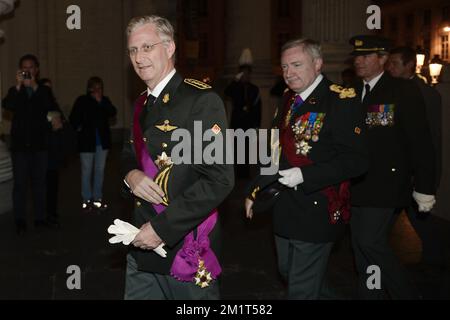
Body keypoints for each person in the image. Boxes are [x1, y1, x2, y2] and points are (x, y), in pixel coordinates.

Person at [244, 38, 369, 299]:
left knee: (300, 288)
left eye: (297, 65)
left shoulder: (340, 100)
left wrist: (305, 174)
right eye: (285, 66)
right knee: (289, 271)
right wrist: (255, 189)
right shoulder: (289, 99)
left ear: (318, 64)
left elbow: (357, 160)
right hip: (285, 207)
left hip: (317, 207)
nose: (289, 73)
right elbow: (275, 150)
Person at [121, 15, 234, 300]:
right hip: (140, 242)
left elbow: (219, 180)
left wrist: (161, 229)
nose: (139, 57)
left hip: (183, 246)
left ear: (170, 48)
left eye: (147, 47)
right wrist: (131, 175)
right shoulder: (141, 103)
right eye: (133, 50)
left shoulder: (201, 101)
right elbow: (127, 154)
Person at [349, 35, 437, 299]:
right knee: (360, 249)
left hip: (386, 184)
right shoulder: (351, 91)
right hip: (355, 184)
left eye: (366, 56)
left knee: (369, 242)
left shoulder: (402, 90)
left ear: (383, 59)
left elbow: (421, 142)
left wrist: (424, 187)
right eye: (357, 56)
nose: (359, 61)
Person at [386, 46, 444, 266]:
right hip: (399, 173)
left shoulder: (425, 93)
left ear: (409, 65)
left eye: (394, 63)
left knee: (422, 221)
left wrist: (424, 177)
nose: (389, 68)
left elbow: (428, 139)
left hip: (413, 174)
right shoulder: (396, 90)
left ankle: (435, 263)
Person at [2, 54, 58, 234]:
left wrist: (34, 86)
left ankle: (40, 218)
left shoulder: (43, 90)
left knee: (39, 184)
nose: (27, 71)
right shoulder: (15, 90)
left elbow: (50, 106)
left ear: (37, 70)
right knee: (19, 185)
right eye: (24, 68)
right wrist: (19, 86)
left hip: (39, 146)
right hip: (20, 147)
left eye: (31, 67)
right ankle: (19, 219)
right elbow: (8, 105)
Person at [69, 77, 117, 212]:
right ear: (89, 88)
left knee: (99, 171)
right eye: (94, 88)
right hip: (86, 143)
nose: (97, 90)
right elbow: (74, 119)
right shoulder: (82, 101)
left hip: (102, 143)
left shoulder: (104, 101)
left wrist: (101, 102)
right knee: (86, 171)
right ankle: (86, 199)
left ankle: (97, 199)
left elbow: (113, 112)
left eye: (100, 87)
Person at [224, 49, 262, 179]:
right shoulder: (236, 88)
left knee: (247, 151)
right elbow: (227, 92)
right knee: (236, 149)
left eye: (247, 73)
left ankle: (246, 175)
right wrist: (235, 80)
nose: (245, 76)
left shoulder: (254, 89)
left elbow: (258, 108)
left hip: (249, 123)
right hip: (237, 122)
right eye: (243, 74)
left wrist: (257, 125)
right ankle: (237, 174)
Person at [39, 78, 65, 227]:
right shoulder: (38, 107)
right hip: (42, 151)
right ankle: (43, 214)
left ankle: (52, 212)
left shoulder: (54, 107)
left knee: (52, 185)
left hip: (53, 152)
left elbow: (62, 126)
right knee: (42, 185)